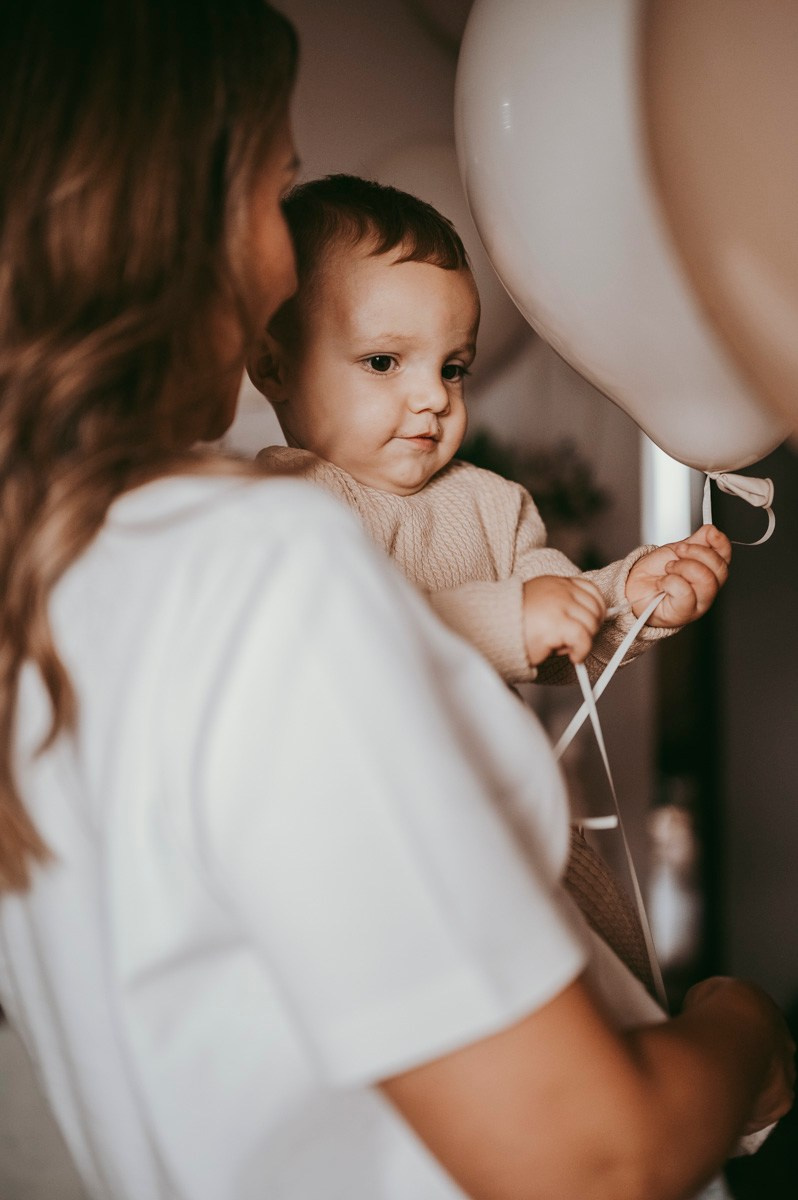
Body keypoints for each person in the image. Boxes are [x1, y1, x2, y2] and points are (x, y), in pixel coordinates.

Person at [0, 5, 792, 1200]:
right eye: (276, 195)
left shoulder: (56, 581)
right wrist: (740, 1029)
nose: (280, 259)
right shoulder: (267, 558)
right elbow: (592, 1159)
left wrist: (615, 592)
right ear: (179, 213)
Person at [250, 173, 733, 691]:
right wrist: (507, 622)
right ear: (277, 370)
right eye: (384, 361)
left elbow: (559, 625)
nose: (436, 396)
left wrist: (629, 597)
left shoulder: (495, 505)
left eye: (452, 369)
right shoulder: (279, 504)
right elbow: (337, 641)